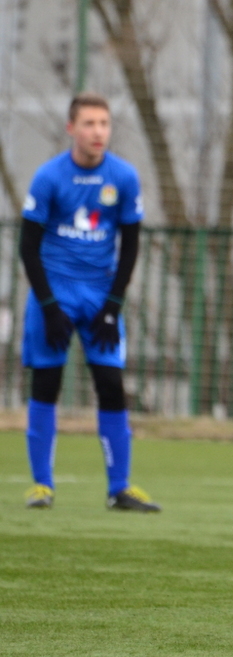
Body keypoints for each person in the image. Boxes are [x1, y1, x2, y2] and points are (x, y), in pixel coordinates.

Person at [20, 92, 159, 512]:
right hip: (55, 294)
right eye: (89, 123)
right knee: (46, 384)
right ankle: (41, 486)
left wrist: (113, 306)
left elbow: (130, 246)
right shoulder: (48, 177)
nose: (98, 132)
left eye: (104, 123)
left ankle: (120, 489)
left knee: (112, 385)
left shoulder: (124, 177)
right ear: (71, 128)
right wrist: (49, 307)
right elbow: (28, 248)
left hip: (100, 297)